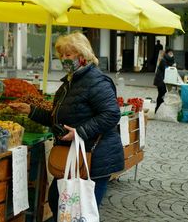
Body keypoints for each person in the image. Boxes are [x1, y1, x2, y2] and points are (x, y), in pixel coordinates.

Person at [9, 31, 124, 220]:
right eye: (61, 55)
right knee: (59, 205)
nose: (63, 59)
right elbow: (58, 119)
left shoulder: (96, 81)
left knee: (79, 214)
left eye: (68, 55)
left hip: (93, 160)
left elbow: (111, 114)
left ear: (82, 56)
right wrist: (30, 110)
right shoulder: (71, 83)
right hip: (73, 159)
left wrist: (80, 132)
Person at [154, 48, 175, 113]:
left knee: (162, 95)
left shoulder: (171, 60)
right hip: (160, 80)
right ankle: (157, 109)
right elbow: (165, 68)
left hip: (164, 80)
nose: (171, 54)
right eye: (170, 53)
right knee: (161, 95)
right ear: (167, 53)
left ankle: (159, 110)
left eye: (172, 53)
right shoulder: (163, 60)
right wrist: (171, 66)